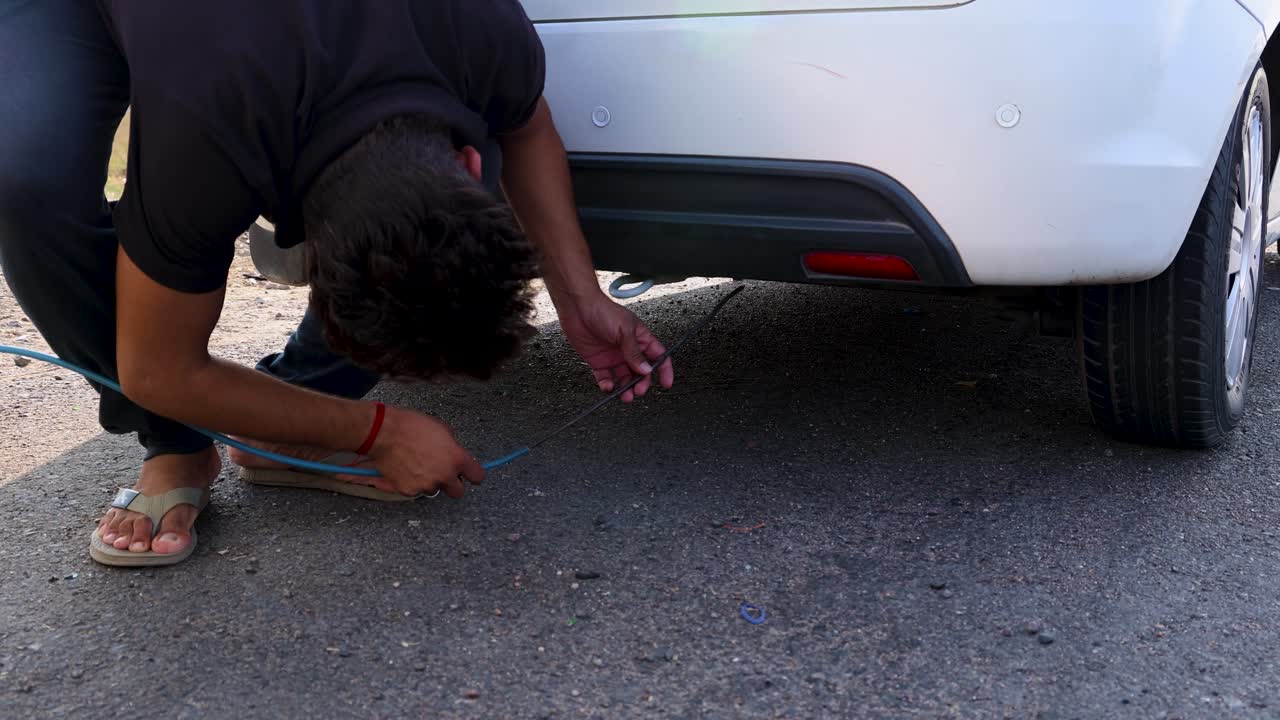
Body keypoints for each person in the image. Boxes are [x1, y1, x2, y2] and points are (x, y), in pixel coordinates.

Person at [0, 0, 675, 567]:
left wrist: (580, 297)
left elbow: (525, 127)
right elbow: (156, 368)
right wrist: (376, 432)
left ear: (464, 162)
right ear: (305, 254)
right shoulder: (210, 137)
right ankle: (177, 444)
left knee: (464, 145)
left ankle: (291, 418)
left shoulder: (482, 28)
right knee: (25, 184)